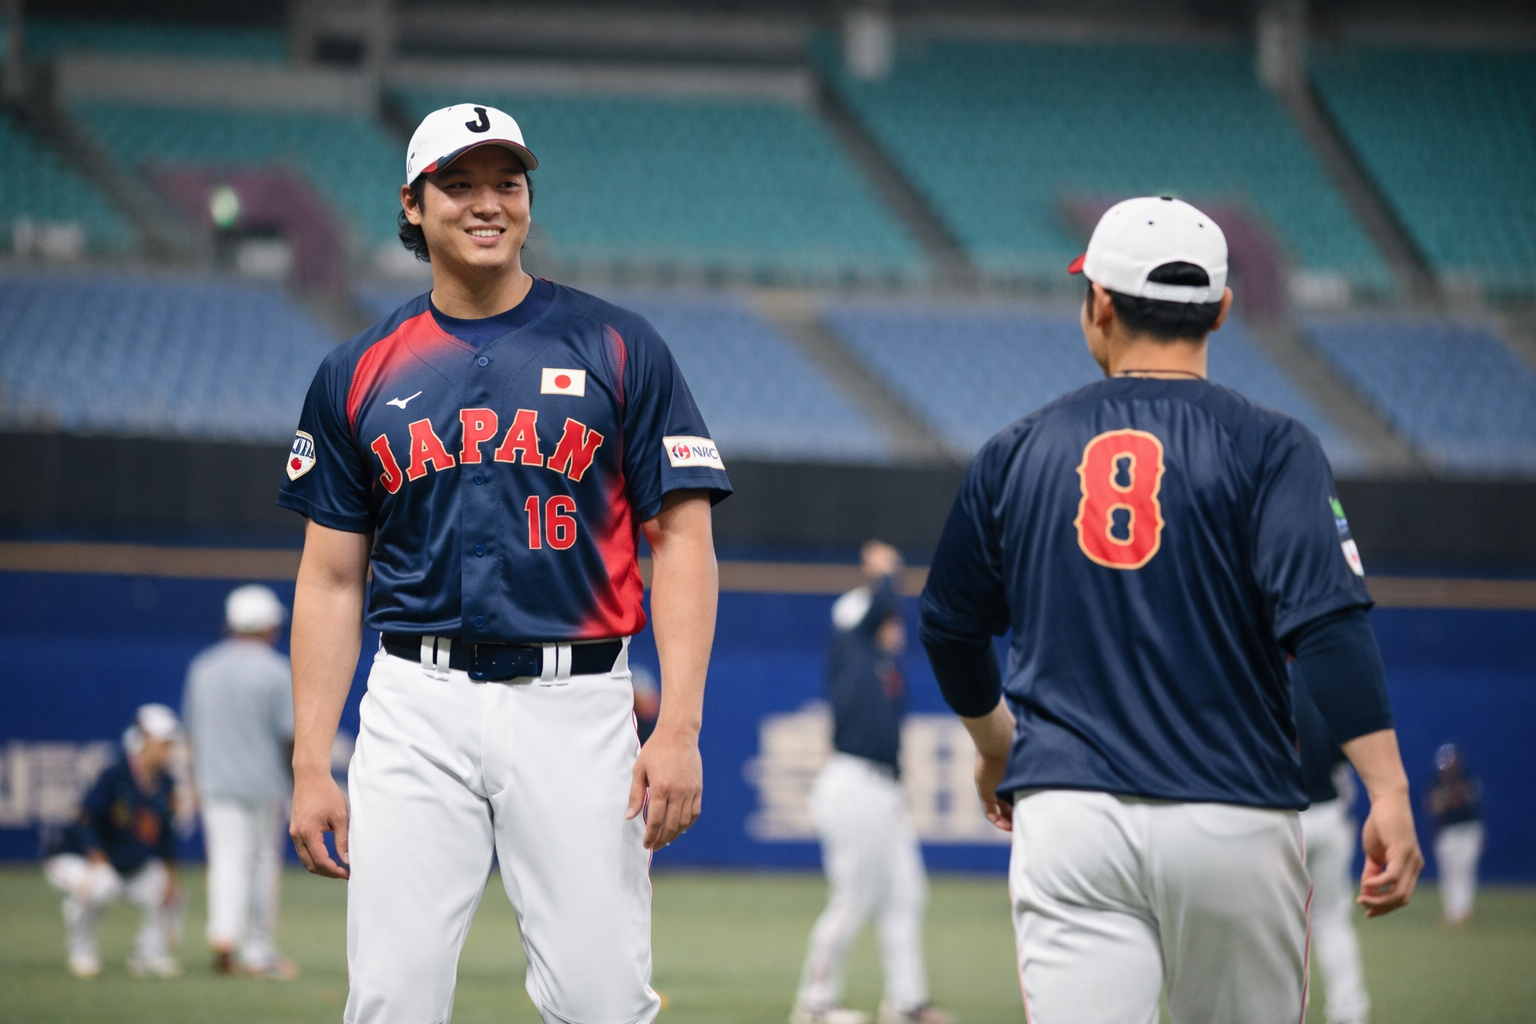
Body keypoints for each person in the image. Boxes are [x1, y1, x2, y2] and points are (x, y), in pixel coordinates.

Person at [917, 196, 1423, 1023]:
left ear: (1100, 303)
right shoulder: (1275, 447)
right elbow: (1328, 626)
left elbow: (949, 627)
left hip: (1072, 814)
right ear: (1222, 309)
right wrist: (1389, 791)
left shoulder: (1016, 449)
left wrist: (994, 743)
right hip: (1234, 809)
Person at [278, 103, 730, 1024]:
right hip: (415, 700)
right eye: (459, 184)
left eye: (507, 183)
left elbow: (683, 539)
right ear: (412, 206)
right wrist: (310, 761)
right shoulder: (357, 369)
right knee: (391, 998)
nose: (488, 203)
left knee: (601, 1000)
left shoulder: (620, 345)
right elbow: (330, 578)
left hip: (578, 702)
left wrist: (679, 726)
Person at [792, 541, 953, 1024]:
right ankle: (814, 1002)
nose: (893, 623)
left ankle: (905, 1001)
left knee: (905, 892)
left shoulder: (883, 666)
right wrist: (886, 571)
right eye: (885, 619)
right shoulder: (852, 647)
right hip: (852, 783)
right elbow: (881, 602)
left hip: (884, 790)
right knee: (854, 895)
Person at [182, 583, 298, 978]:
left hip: (215, 783)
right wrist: (298, 781)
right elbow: (290, 736)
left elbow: (192, 734)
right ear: (267, 625)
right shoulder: (276, 671)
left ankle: (223, 935)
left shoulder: (204, 668)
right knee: (261, 864)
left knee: (225, 860)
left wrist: (194, 781)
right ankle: (258, 949)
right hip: (265, 784)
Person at [44, 704, 185, 979]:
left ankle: (148, 954)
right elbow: (86, 818)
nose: (168, 751)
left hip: (121, 865)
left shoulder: (166, 783)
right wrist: (96, 855)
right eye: (163, 744)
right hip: (75, 858)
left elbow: (166, 834)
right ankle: (81, 950)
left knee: (171, 891)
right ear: (144, 740)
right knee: (101, 885)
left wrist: (170, 874)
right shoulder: (114, 775)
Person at [1294, 669, 1371, 1024]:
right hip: (1329, 815)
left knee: (1279, 927)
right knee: (1331, 920)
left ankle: (1284, 1013)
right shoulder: (1324, 682)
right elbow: (1346, 756)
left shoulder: (1263, 673)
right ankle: (1349, 1010)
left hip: (1284, 818)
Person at [1427, 743, 1483, 927]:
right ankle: (1451, 910)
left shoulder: (1467, 777)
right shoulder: (1437, 781)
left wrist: (1450, 797)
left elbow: (1467, 801)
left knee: (1465, 871)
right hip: (1447, 831)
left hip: (1468, 829)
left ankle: (1463, 909)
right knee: (1448, 873)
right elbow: (1432, 807)